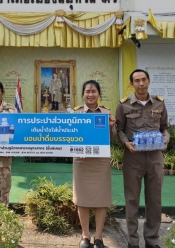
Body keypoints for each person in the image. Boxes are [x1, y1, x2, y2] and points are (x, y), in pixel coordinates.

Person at [115, 69, 169, 248]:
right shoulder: (123, 105)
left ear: (149, 81)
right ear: (131, 84)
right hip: (133, 158)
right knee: (132, 200)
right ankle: (133, 241)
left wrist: (166, 140)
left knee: (154, 200)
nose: (141, 83)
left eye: (143, 79)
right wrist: (126, 143)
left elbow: (164, 128)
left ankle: (152, 240)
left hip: (155, 157)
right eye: (136, 80)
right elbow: (119, 129)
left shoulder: (159, 104)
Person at [73, 80, 117, 248]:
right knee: (82, 198)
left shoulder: (106, 113)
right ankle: (85, 236)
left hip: (100, 162)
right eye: (87, 91)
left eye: (93, 91)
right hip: (82, 161)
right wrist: (78, 149)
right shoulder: (75, 114)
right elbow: (70, 137)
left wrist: (112, 126)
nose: (90, 94)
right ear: (83, 94)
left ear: (99, 94)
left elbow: (112, 138)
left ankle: (98, 238)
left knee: (101, 198)